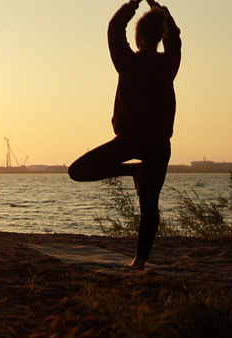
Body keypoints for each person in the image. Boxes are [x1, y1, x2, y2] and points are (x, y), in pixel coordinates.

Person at [68, 0, 181, 270]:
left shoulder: (128, 63)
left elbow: (114, 28)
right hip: (158, 144)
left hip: (130, 139)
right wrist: (161, 11)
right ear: (159, 36)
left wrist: (133, 3)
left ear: (139, 37)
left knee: (78, 170)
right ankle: (139, 261)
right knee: (149, 204)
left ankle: (132, 171)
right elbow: (174, 39)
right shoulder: (169, 64)